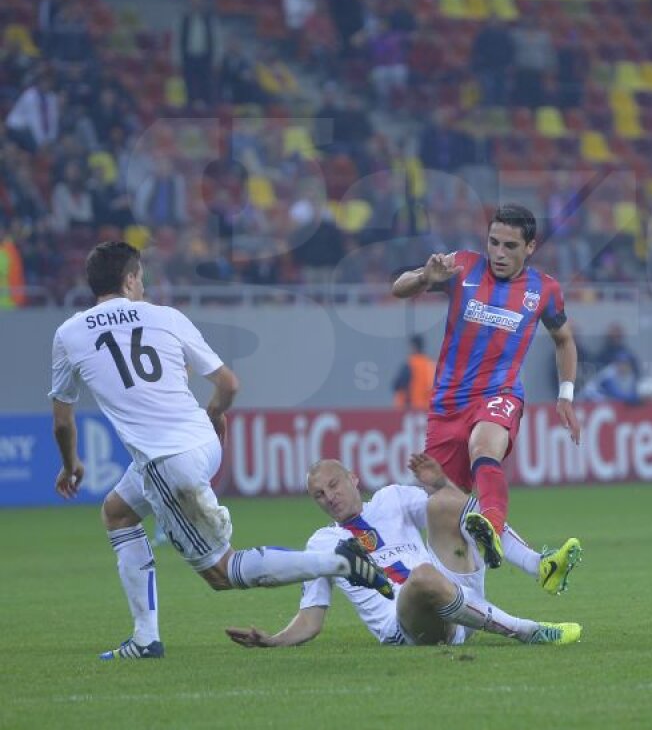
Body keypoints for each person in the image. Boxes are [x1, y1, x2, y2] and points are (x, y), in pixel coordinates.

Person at [49, 241, 394, 660]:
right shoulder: (167, 317)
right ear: (130, 279)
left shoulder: (69, 334)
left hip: (167, 461)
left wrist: (72, 466)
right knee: (117, 512)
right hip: (203, 441)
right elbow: (228, 384)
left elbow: (63, 422)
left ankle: (338, 561)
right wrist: (214, 413)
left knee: (222, 572)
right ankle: (144, 637)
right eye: (141, 278)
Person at [391, 204, 581, 572]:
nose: (499, 253)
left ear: (530, 247)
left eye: (510, 246)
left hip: (499, 393)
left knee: (483, 447)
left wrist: (566, 395)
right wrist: (425, 278)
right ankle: (529, 568)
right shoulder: (462, 265)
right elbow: (398, 288)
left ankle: (490, 529)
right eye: (493, 242)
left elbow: (564, 340)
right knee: (446, 505)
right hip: (447, 405)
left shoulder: (545, 290)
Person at [225, 455, 581, 650]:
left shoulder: (390, 498)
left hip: (458, 596)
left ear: (353, 478)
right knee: (422, 577)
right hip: (410, 628)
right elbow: (311, 619)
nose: (329, 496)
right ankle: (528, 631)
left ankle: (540, 565)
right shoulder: (322, 543)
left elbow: (455, 506)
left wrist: (440, 483)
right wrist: (272, 641)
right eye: (319, 495)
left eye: (333, 485)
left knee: (445, 503)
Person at [392, 335, 434, 411]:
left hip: (412, 408)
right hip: (427, 409)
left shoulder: (411, 363)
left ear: (413, 346)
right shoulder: (430, 364)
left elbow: (398, 385)